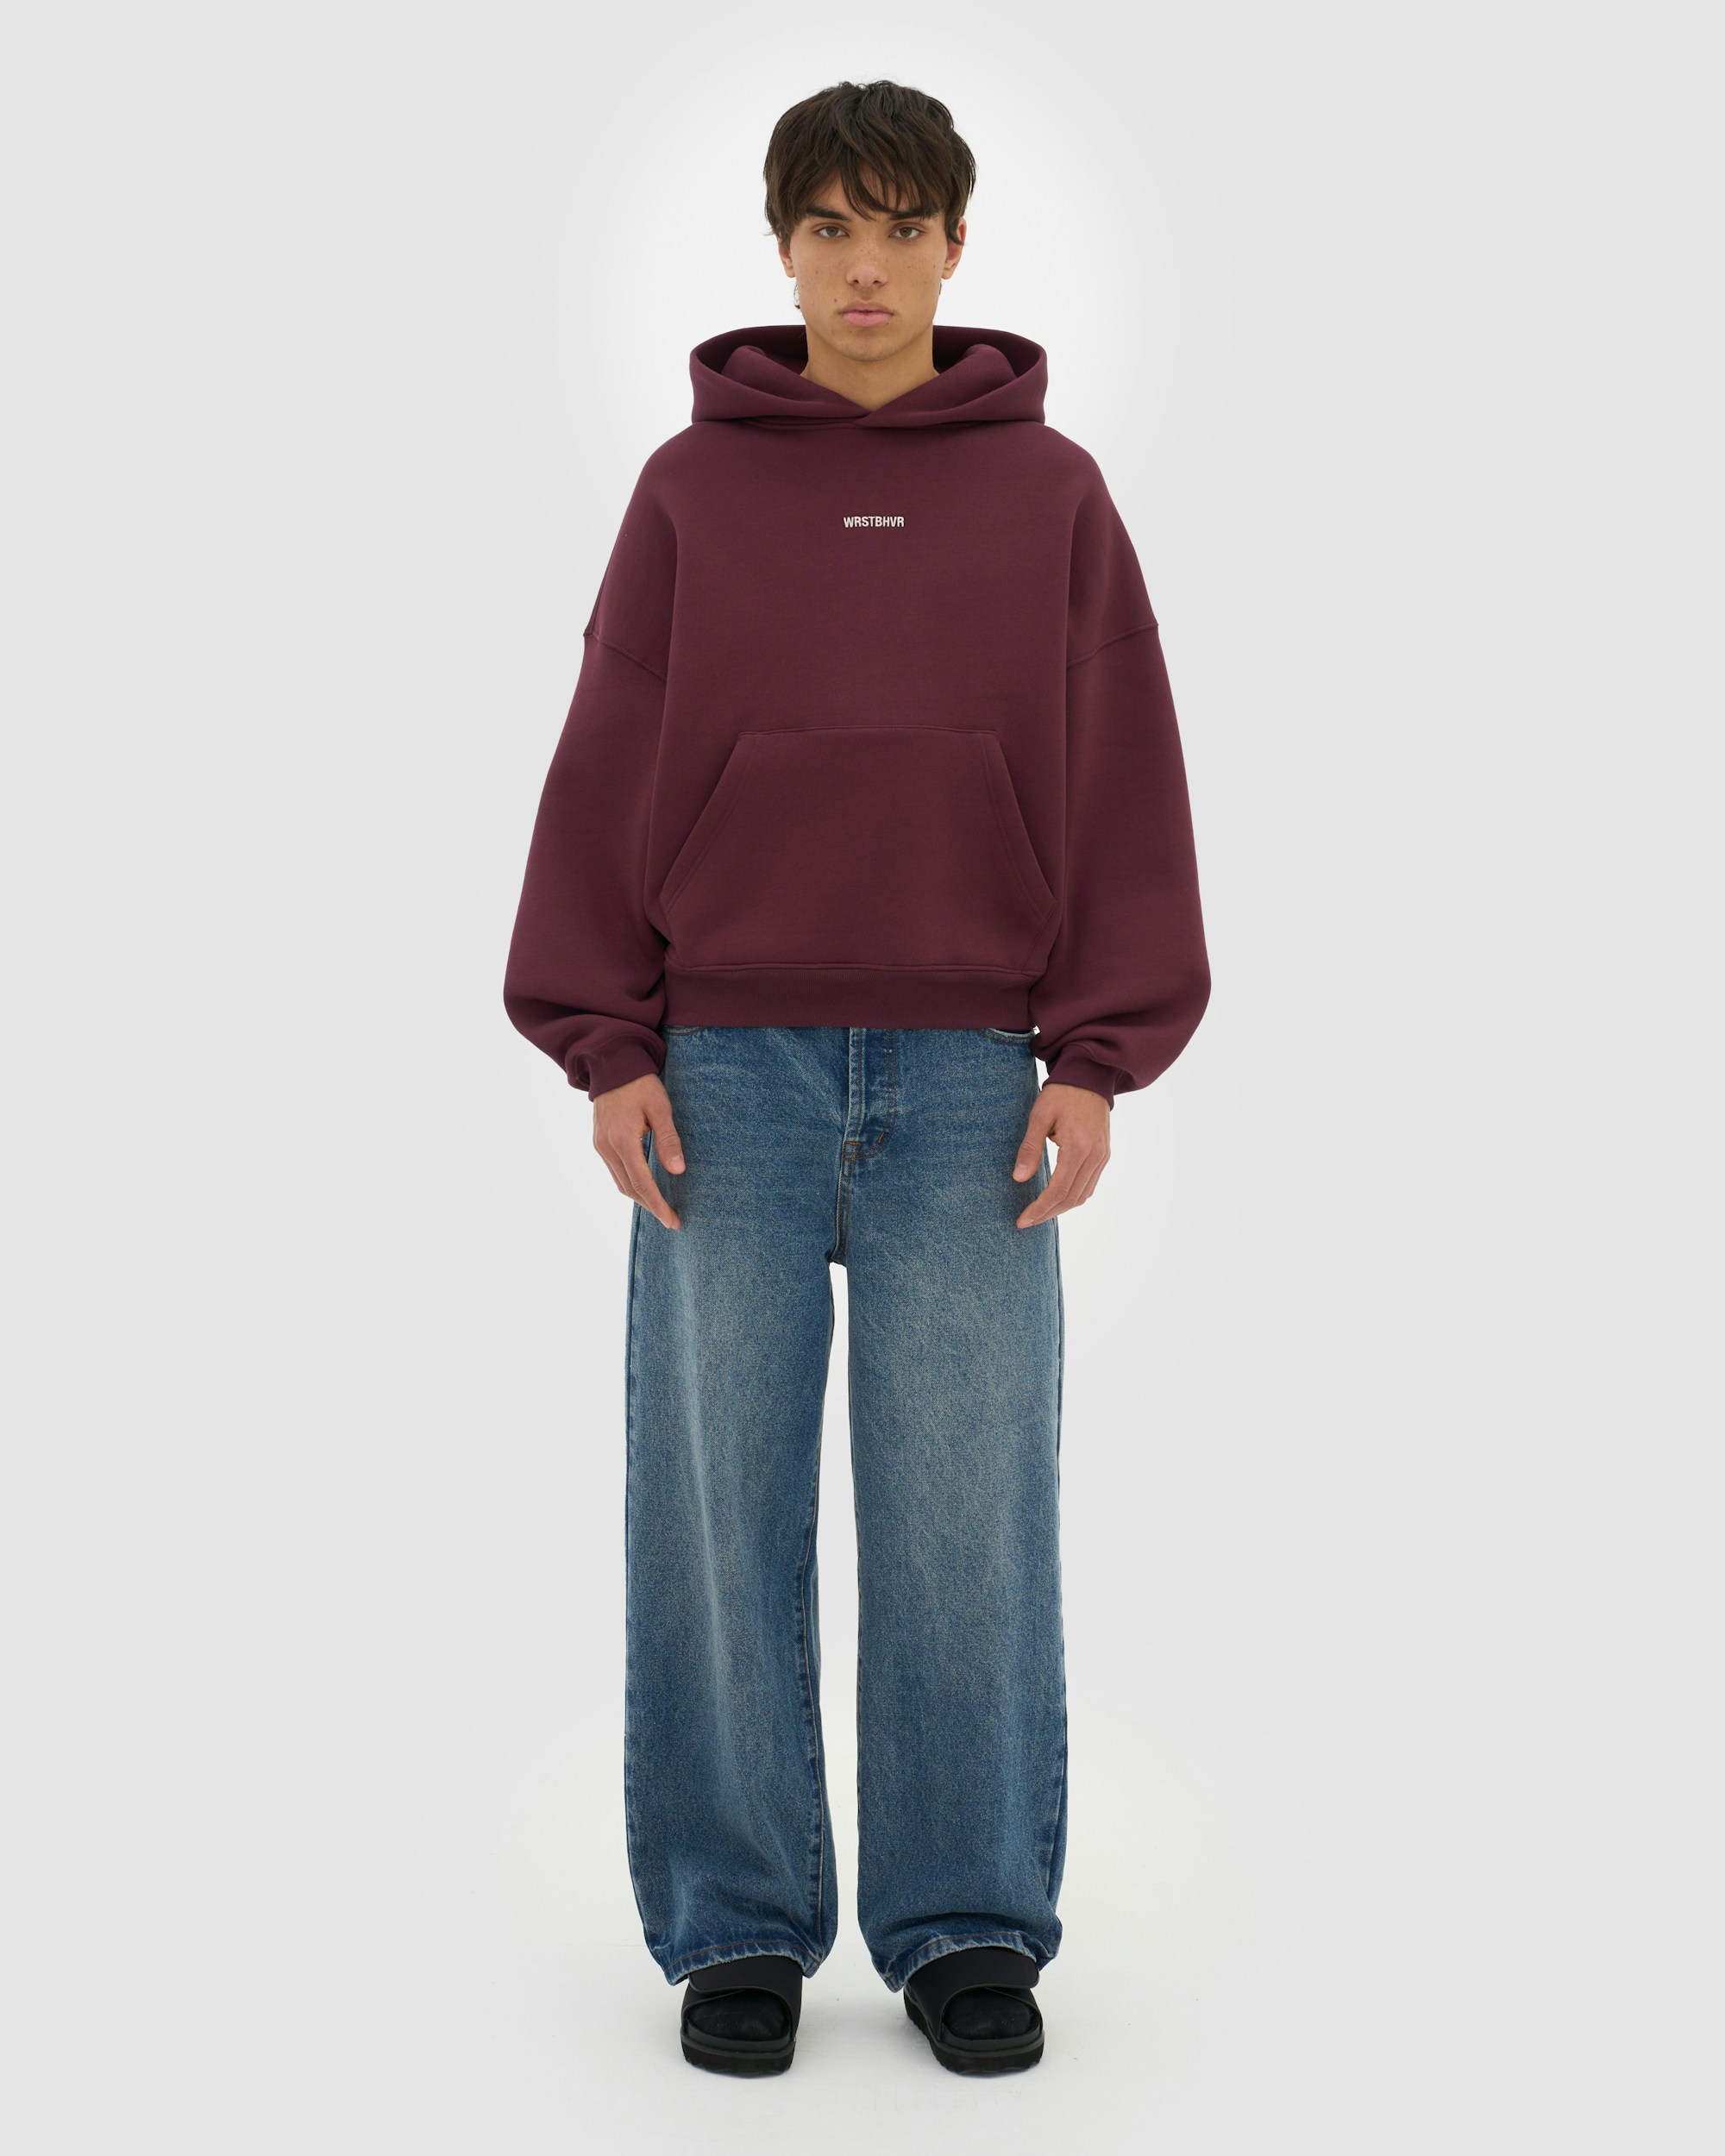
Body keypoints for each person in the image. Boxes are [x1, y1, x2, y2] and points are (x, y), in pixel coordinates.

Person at [503, 77, 1211, 2078]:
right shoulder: (689, 490)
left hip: (974, 1070)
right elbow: (609, 755)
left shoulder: (1052, 493)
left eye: (901, 226)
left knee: (965, 1511)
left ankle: (965, 1915)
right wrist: (604, 1038)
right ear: (783, 246)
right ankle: (737, 1920)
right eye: (829, 225)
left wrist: (1097, 1053)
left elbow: (1122, 770)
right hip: (720, 1068)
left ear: (956, 246)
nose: (866, 264)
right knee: (710, 1514)